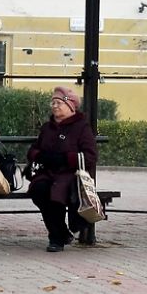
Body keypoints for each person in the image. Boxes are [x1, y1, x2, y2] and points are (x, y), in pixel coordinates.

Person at [26, 85, 98, 252]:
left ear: (71, 105)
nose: (55, 106)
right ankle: (62, 232)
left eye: (59, 102)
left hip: (70, 175)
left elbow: (90, 156)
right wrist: (40, 156)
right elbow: (33, 150)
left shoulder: (81, 127)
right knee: (38, 189)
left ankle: (56, 238)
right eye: (53, 103)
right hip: (47, 172)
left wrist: (65, 158)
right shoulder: (47, 127)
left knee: (56, 194)